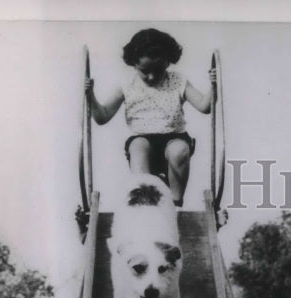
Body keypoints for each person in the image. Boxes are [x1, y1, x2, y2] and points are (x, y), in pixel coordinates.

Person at [85, 29, 215, 206]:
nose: (152, 76)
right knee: (138, 147)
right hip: (143, 138)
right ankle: (146, 203)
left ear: (168, 62)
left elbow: (204, 106)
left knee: (180, 150)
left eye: (158, 70)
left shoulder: (177, 81)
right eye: (145, 71)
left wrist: (214, 87)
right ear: (134, 65)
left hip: (173, 136)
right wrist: (90, 95)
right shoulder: (127, 85)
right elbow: (103, 116)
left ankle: (176, 202)